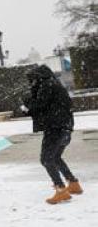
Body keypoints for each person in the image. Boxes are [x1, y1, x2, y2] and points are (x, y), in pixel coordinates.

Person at [22, 64, 82, 204]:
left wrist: (27, 103)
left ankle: (61, 190)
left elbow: (39, 104)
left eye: (33, 80)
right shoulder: (54, 84)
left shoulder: (46, 85)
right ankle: (73, 184)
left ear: (38, 77)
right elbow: (46, 106)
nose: (32, 83)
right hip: (65, 127)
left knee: (46, 159)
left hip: (55, 128)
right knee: (55, 157)